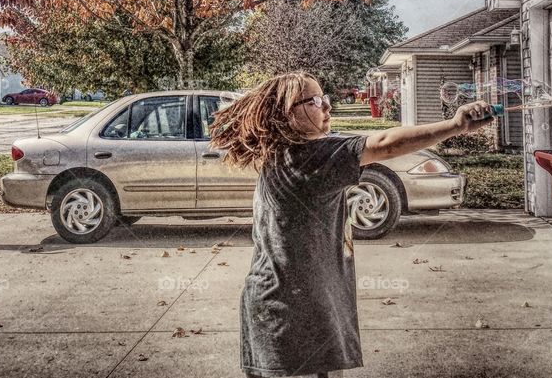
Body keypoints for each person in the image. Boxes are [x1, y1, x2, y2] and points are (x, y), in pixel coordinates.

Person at [209, 71, 493, 378]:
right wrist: (455, 125)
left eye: (326, 98)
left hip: (285, 306)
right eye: (316, 101)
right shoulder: (310, 157)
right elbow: (385, 144)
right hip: (292, 315)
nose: (327, 107)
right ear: (288, 113)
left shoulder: (287, 152)